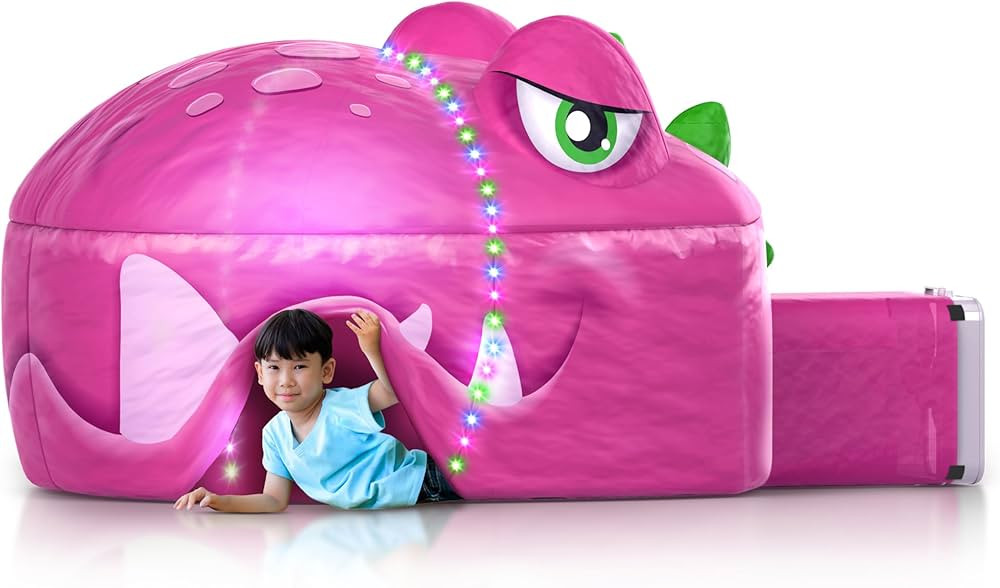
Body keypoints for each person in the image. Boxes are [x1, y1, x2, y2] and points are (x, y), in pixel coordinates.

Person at [174, 307, 460, 512]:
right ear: (260, 373)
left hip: (426, 479)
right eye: (274, 368)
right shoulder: (274, 434)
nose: (286, 381)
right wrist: (219, 500)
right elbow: (273, 500)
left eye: (299, 367)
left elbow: (392, 391)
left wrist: (372, 349)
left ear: (326, 371)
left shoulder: (339, 405)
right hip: (395, 514)